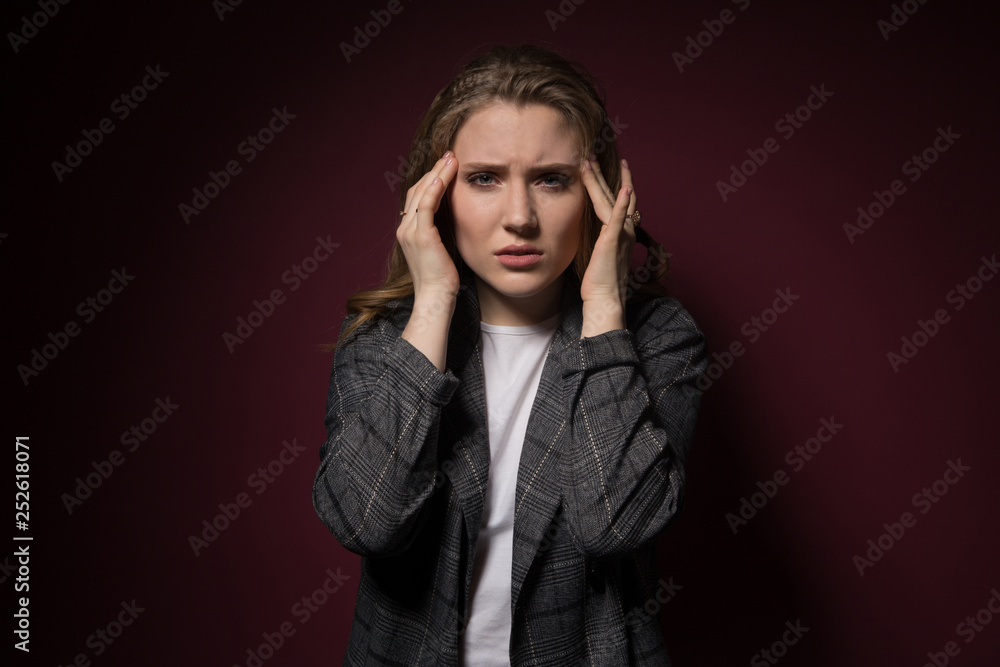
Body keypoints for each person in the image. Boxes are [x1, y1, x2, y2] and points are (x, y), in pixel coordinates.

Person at [313, 43, 707, 666]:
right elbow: (365, 522)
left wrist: (605, 306)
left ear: (599, 196)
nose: (519, 217)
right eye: (484, 179)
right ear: (436, 194)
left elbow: (614, 524)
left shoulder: (659, 337)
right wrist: (433, 303)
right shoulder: (385, 337)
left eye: (552, 179)